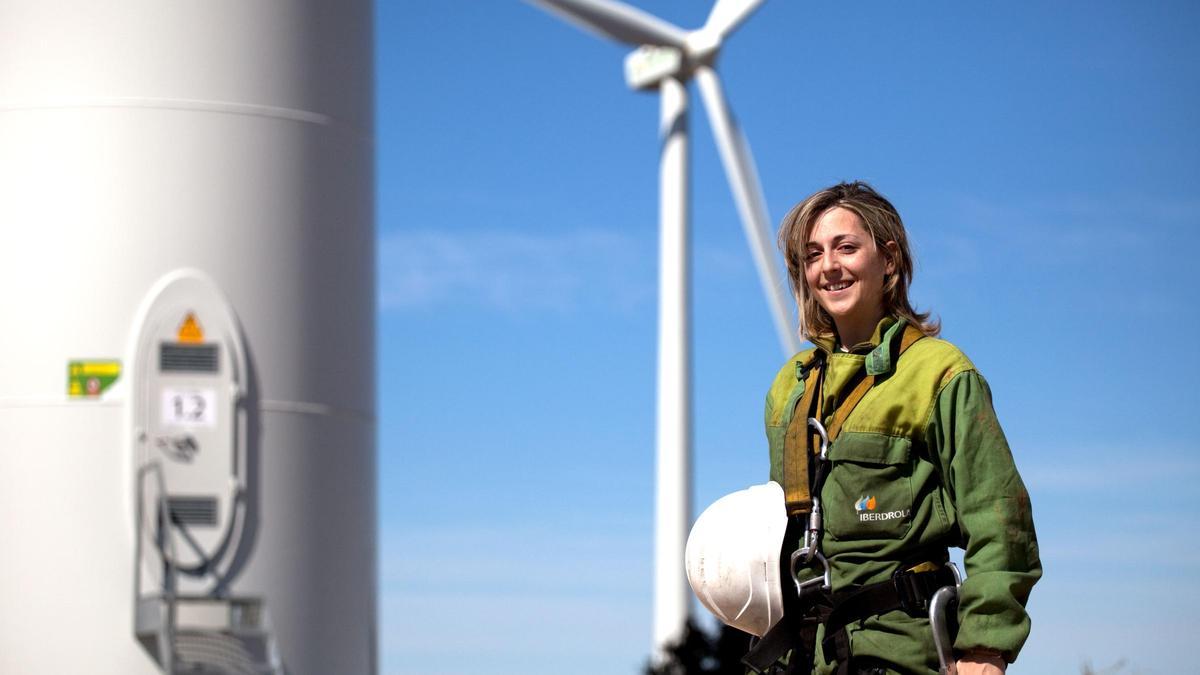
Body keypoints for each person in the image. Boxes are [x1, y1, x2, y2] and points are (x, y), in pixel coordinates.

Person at [759, 182, 1041, 675]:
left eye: (847, 247)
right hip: (806, 654)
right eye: (813, 254)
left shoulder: (940, 373)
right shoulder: (791, 386)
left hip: (901, 653)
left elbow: (999, 520)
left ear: (888, 259)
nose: (829, 266)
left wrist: (985, 649)